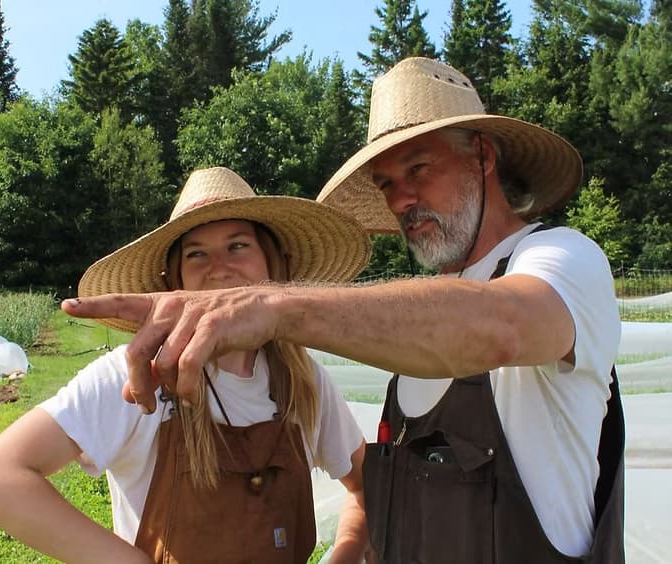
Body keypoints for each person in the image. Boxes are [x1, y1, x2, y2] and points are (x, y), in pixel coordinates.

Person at [61, 57, 626, 564]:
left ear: (481, 155)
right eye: (386, 183)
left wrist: (272, 307)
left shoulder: (561, 257)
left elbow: (503, 325)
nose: (402, 199)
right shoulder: (417, 329)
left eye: (419, 169)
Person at [0, 166, 374, 564]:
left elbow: (366, 489)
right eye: (197, 254)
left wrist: (348, 550)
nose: (219, 269)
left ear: (272, 264)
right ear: (173, 284)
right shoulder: (139, 379)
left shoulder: (301, 381)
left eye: (237, 246)